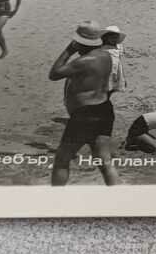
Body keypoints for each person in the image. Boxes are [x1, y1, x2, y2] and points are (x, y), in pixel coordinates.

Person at [48, 23, 126, 186]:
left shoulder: (84, 61)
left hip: (85, 115)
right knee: (105, 162)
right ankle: (119, 196)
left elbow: (54, 73)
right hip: (104, 108)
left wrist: (69, 50)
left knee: (62, 160)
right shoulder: (106, 55)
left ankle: (53, 200)